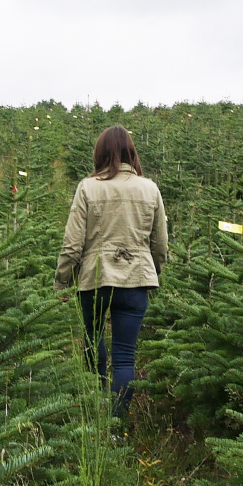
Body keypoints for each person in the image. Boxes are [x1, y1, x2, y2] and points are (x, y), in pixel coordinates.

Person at [54, 125, 168, 417]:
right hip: (136, 282)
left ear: (100, 152)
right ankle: (116, 423)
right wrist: (152, 271)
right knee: (125, 358)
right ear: (132, 152)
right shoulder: (150, 188)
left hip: (95, 280)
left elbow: (72, 243)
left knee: (92, 341)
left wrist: (62, 282)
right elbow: (161, 244)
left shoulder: (88, 187)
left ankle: (98, 399)